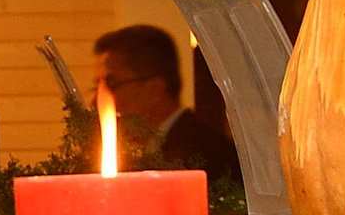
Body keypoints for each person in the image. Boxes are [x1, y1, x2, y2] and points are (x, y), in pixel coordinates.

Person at [93, 24, 240, 184]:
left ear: (154, 89)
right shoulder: (139, 148)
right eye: (98, 87)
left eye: (112, 84)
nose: (98, 100)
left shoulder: (205, 154)